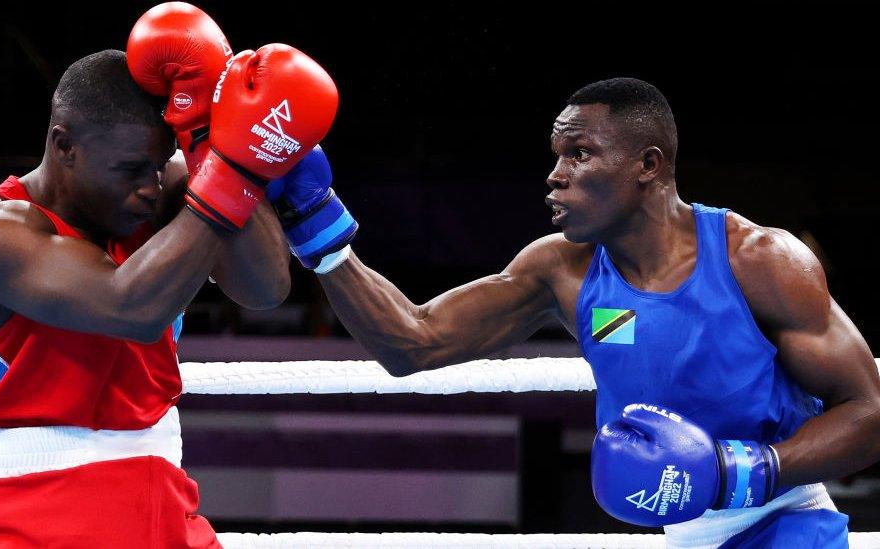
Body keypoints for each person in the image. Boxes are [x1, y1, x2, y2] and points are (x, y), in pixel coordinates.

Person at [268, 78, 880, 547]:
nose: (555, 177)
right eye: (556, 156)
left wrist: (740, 472)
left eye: (580, 154)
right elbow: (413, 341)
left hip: (783, 523)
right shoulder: (562, 269)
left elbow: (871, 413)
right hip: (683, 532)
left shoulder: (761, 260)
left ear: (648, 166)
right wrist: (318, 233)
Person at [0, 2, 339, 546]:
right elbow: (129, 309)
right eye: (131, 170)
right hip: (38, 509)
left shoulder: (169, 193)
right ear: (64, 146)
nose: (151, 188)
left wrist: (209, 146)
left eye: (159, 166)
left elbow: (265, 288)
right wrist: (231, 173)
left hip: (166, 500)